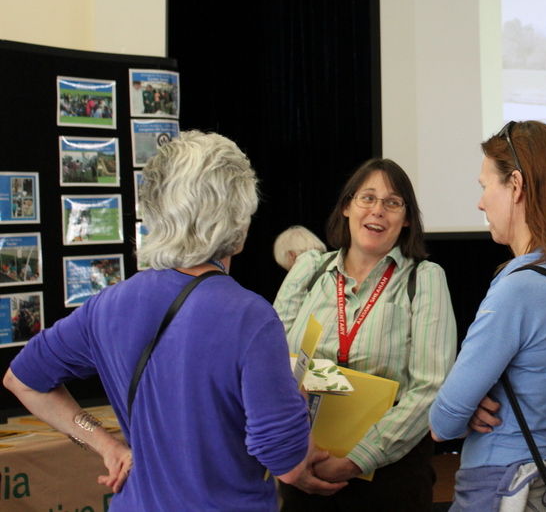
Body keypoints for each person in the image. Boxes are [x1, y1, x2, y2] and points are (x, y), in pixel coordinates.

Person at [4, 131, 343, 510]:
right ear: (236, 220)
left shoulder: (109, 304)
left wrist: (105, 444)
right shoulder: (251, 317)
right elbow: (289, 464)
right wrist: (297, 399)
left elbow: (20, 380)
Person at [429, 120, 546, 511]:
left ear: (517, 186)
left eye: (485, 186)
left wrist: (463, 405)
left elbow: (442, 422)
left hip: (502, 482)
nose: (480, 202)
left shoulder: (519, 288)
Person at [274, 158, 457, 512]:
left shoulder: (425, 278)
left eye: (392, 202)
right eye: (367, 198)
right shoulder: (310, 270)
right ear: (347, 206)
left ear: (406, 219)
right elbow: (269, 363)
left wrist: (358, 459)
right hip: (302, 470)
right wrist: (290, 456)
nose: (378, 211)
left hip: (389, 480)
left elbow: (429, 387)